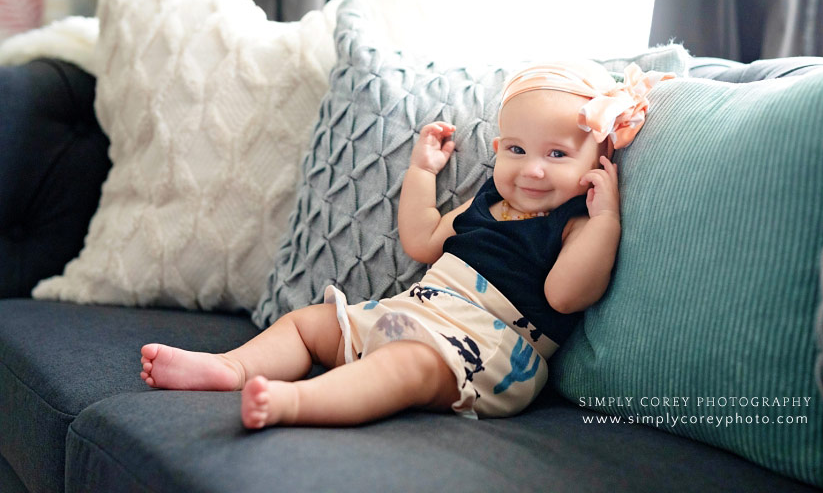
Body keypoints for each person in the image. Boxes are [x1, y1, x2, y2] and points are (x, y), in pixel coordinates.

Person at [139, 61, 672, 428]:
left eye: (558, 155)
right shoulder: (484, 202)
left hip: (485, 351)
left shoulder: (573, 223)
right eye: (516, 149)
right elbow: (422, 239)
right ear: (496, 149)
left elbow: (563, 295)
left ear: (597, 164)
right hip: (411, 312)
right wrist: (422, 172)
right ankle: (232, 368)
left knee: (407, 368)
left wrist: (605, 220)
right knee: (309, 324)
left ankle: (297, 401)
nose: (532, 169)